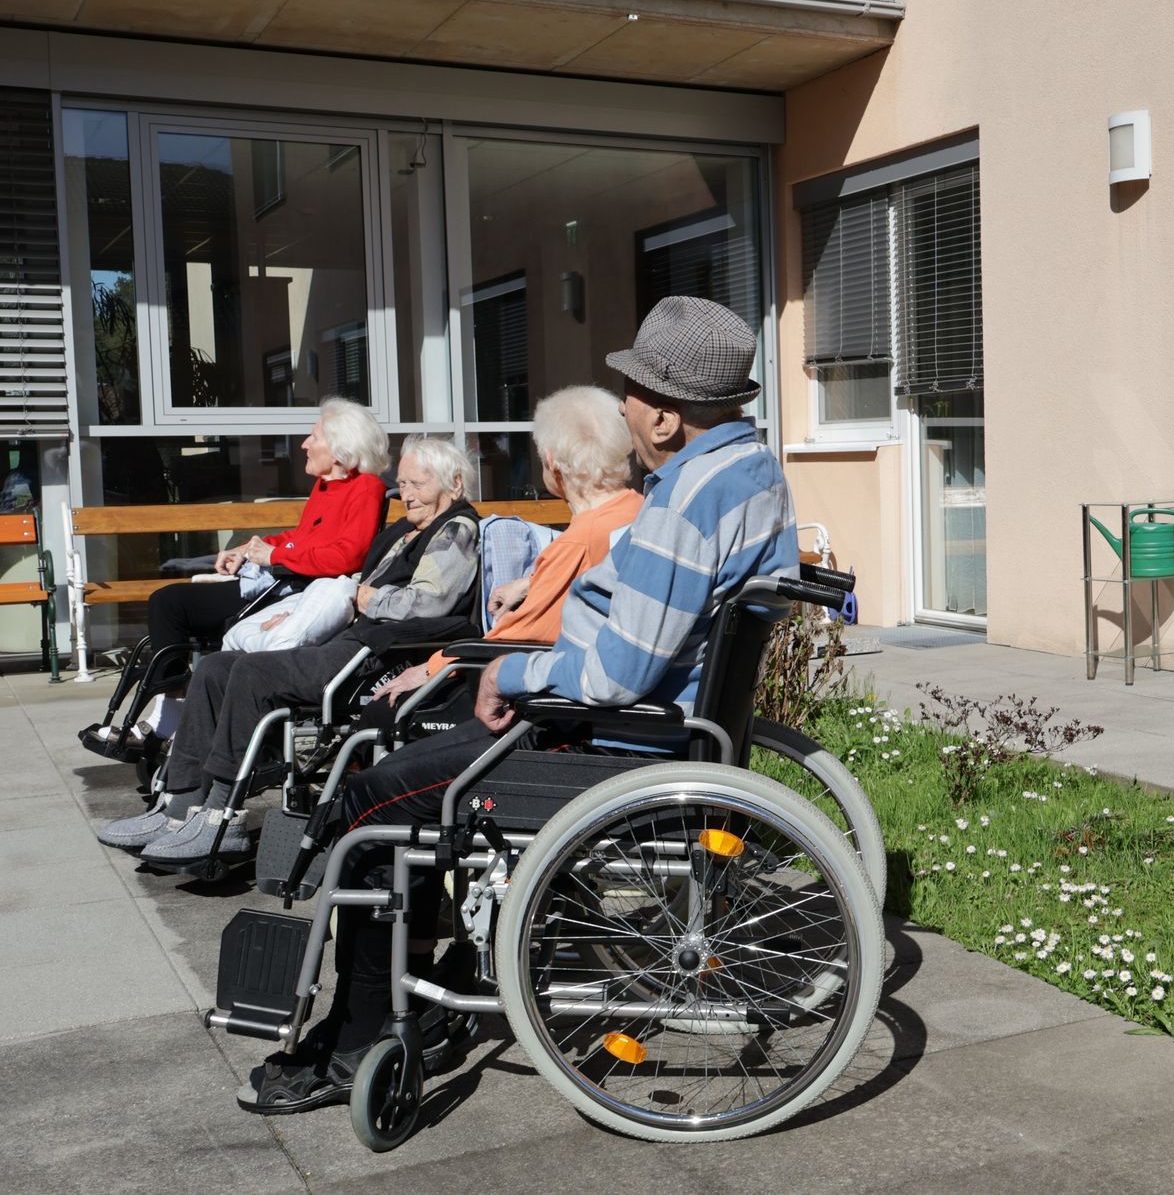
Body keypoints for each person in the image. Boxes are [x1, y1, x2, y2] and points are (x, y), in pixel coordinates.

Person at [237, 296, 797, 1116]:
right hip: (656, 732)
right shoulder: (753, 473)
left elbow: (619, 671)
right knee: (401, 779)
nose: (625, 410)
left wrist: (518, 672)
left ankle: (356, 1041)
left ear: (666, 416)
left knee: (371, 804)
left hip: (607, 743)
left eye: (634, 392)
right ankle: (423, 983)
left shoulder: (686, 501)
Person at [95, 436, 482, 864]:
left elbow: (428, 602)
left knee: (253, 673)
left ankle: (222, 818)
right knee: (216, 668)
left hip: (381, 655)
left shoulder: (456, 529)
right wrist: (300, 610)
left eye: (417, 485)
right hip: (351, 640)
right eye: (403, 484)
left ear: (454, 483)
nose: (406, 494)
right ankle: (179, 803)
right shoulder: (407, 530)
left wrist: (361, 597)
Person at [364, 385, 642, 724]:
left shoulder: (578, 542)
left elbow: (517, 637)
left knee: (381, 718)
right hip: (601, 684)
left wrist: (429, 669)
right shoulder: (637, 511)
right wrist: (531, 583)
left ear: (551, 461)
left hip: (554, 702)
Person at [138, 399, 389, 688]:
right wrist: (247, 550)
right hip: (280, 581)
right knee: (168, 602)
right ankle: (171, 697)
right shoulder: (325, 486)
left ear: (339, 448)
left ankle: (171, 703)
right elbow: (301, 537)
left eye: (314, 437)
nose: (304, 444)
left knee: (170, 604)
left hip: (297, 590)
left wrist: (274, 556)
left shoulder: (366, 488)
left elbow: (348, 557)